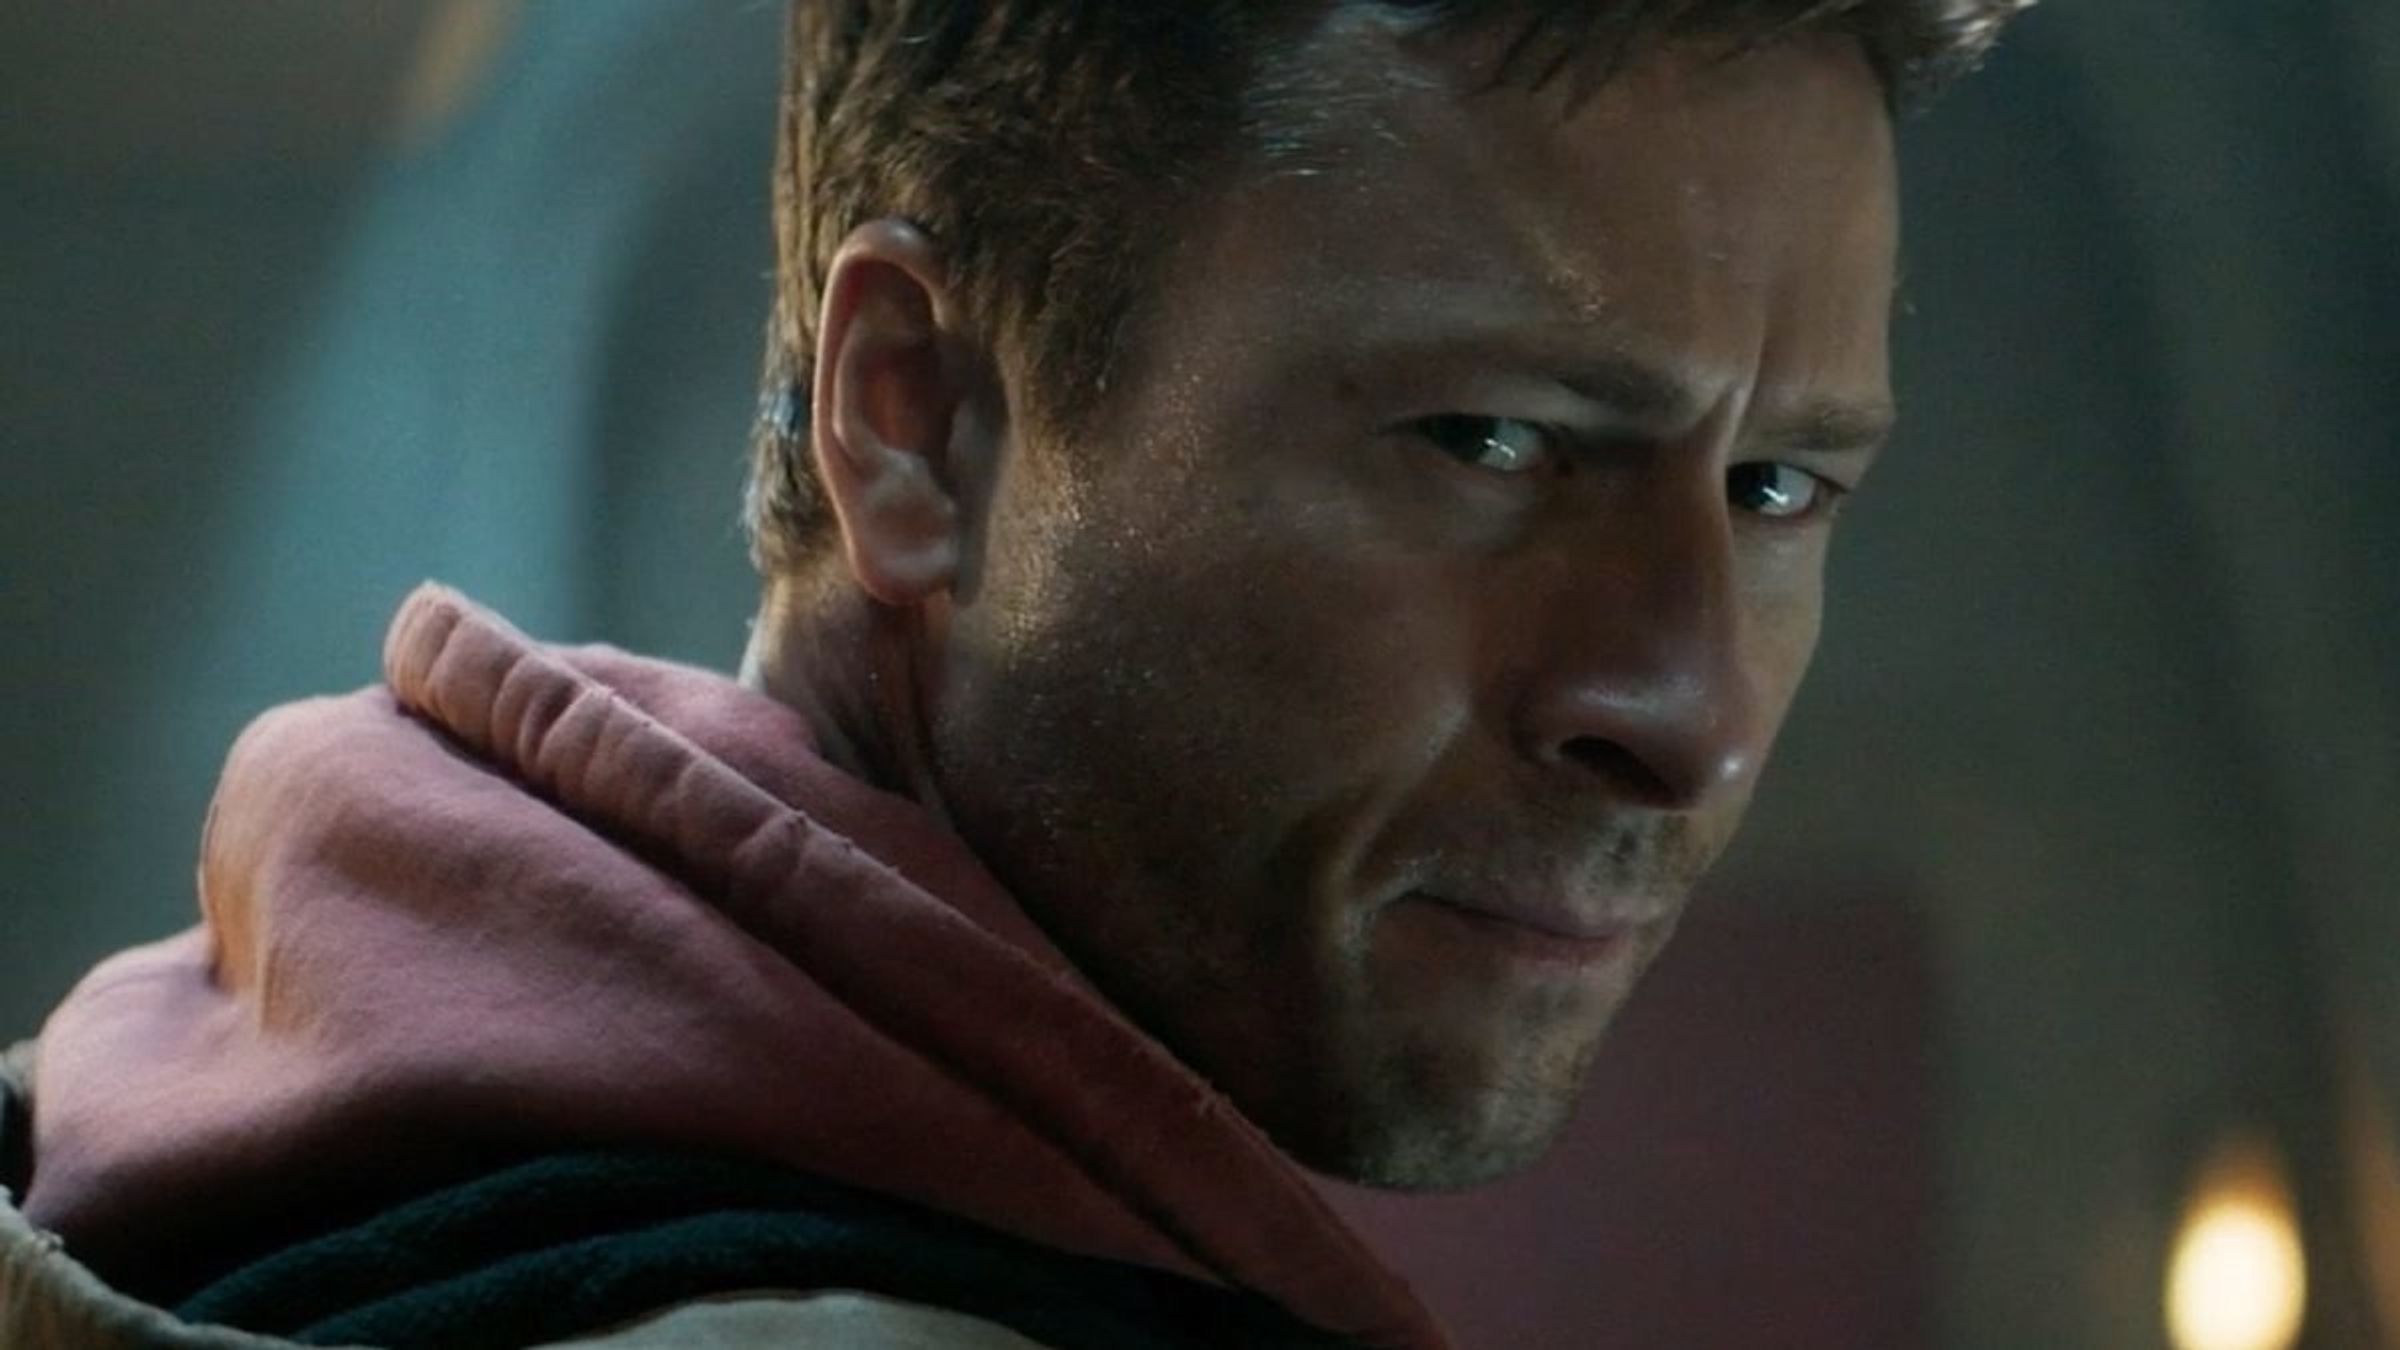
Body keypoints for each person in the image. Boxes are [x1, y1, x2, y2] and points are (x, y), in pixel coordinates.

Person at [0, 1, 2027, 1345]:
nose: (1686, 713)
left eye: (1777, 487)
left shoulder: (187, 1164)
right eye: (1488, 439)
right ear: (919, 424)